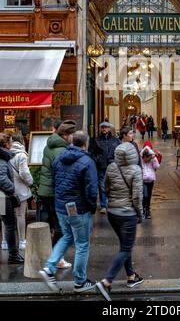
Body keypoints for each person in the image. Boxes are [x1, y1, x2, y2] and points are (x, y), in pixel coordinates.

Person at [39, 131, 98, 293]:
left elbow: (53, 180)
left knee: (67, 236)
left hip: (61, 205)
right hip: (78, 208)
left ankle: (49, 268)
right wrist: (92, 207)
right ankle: (80, 281)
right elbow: (91, 190)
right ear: (85, 144)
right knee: (82, 244)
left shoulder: (59, 158)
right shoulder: (87, 161)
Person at [96, 142, 144, 301]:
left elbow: (106, 187)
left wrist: (112, 201)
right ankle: (107, 281)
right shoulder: (136, 170)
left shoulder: (111, 167)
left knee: (125, 244)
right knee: (125, 247)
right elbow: (137, 196)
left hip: (112, 212)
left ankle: (131, 276)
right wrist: (140, 214)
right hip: (127, 214)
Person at [37, 120, 76, 269]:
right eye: (72, 134)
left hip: (45, 190)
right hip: (54, 191)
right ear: (66, 135)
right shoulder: (61, 151)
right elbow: (63, 175)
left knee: (55, 224)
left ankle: (54, 256)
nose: (73, 137)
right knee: (60, 226)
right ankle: (55, 259)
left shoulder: (50, 145)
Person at [1, 133, 33, 250]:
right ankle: (22, 241)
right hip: (20, 190)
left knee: (4, 217)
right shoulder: (21, 155)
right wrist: (30, 182)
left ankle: (4, 241)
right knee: (20, 215)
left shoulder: (4, 154)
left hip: (2, 191)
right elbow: (24, 173)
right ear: (21, 142)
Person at [0, 133, 24, 263]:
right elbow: (1, 178)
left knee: (9, 224)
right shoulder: (2, 159)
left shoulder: (4, 157)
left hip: (2, 196)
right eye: (10, 142)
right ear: (5, 144)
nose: (11, 144)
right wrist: (12, 188)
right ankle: (13, 255)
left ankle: (13, 254)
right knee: (10, 225)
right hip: (3, 197)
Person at [89, 122, 121, 214]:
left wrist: (116, 161)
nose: (104, 129)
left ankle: (112, 203)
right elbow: (92, 153)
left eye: (106, 127)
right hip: (101, 166)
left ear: (109, 129)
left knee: (113, 185)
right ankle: (103, 205)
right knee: (102, 186)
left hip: (113, 166)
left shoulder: (115, 140)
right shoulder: (97, 141)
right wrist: (97, 159)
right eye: (102, 127)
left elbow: (120, 152)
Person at [141, 145, 160, 219]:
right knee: (145, 195)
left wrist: (154, 158)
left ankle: (147, 210)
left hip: (151, 179)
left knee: (148, 196)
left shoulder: (152, 159)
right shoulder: (141, 159)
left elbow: (157, 166)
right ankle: (143, 210)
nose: (146, 159)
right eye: (145, 157)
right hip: (143, 180)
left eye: (147, 157)